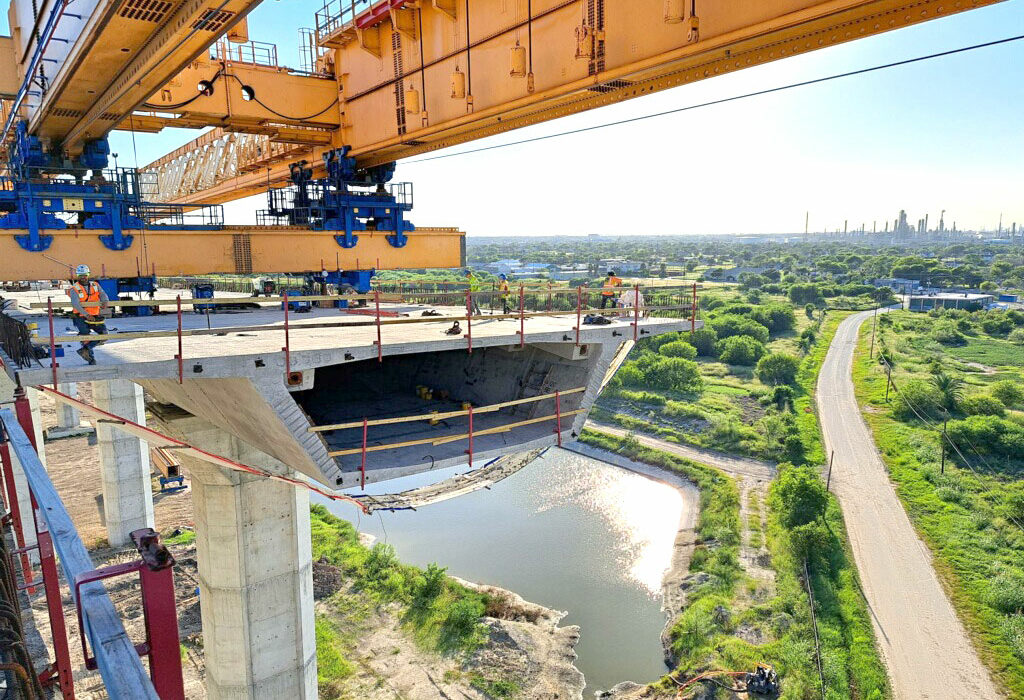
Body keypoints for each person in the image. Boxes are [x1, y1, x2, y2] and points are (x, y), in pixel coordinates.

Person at [68, 264, 110, 365]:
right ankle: (91, 360)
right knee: (86, 338)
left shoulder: (95, 285)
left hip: (95, 316)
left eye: (85, 274)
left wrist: (105, 301)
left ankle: (85, 349)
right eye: (81, 275)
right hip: (81, 317)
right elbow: (76, 304)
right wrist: (87, 315)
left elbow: (103, 294)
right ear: (77, 275)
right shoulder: (74, 289)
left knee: (104, 335)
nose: (83, 277)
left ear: (88, 274)